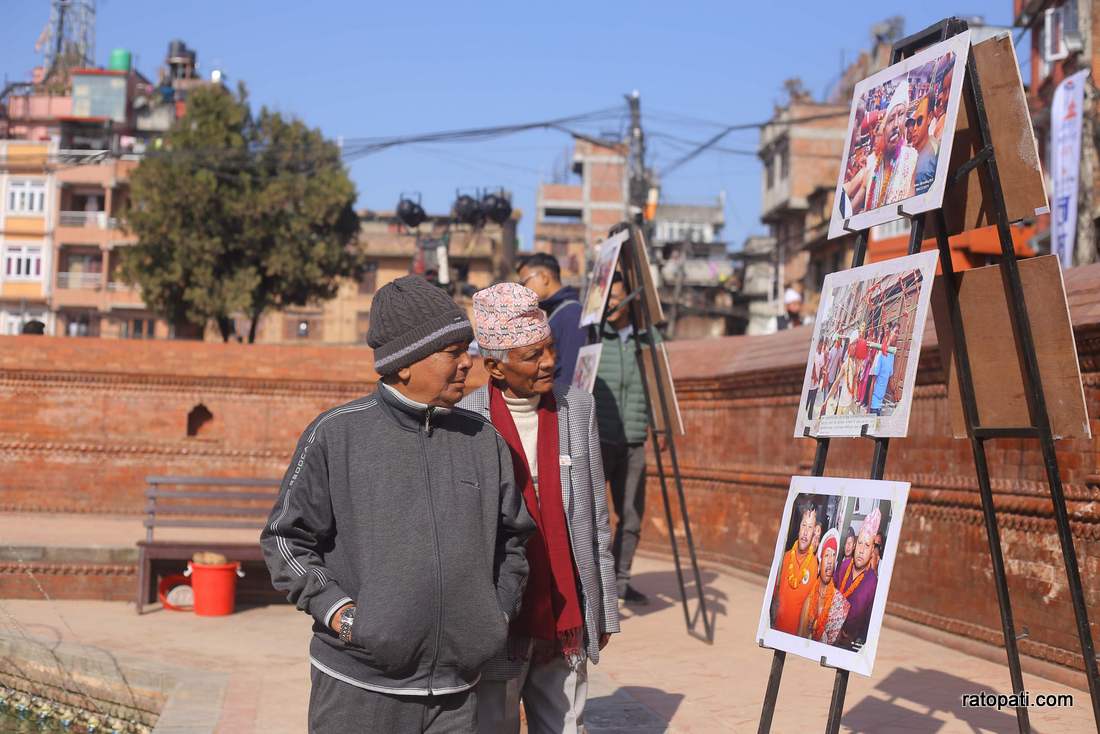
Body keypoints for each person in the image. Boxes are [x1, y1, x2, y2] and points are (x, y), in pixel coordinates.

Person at [261, 275, 535, 734]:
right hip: (357, 689)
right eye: (453, 352)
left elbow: (514, 543)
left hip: (456, 695)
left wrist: (495, 617)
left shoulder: (484, 442)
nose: (469, 363)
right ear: (405, 364)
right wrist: (344, 617)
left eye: (467, 349)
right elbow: (285, 539)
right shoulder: (337, 435)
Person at [461, 283, 619, 734]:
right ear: (494, 366)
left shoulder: (577, 408)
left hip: (566, 606)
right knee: (493, 723)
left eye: (548, 349)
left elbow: (595, 517)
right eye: (532, 356)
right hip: (499, 616)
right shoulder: (468, 420)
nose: (549, 361)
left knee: (567, 724)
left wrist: (603, 607)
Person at [593, 272, 660, 605]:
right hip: (598, 436)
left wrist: (658, 428)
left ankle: (620, 582)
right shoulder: (592, 336)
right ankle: (594, 582)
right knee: (592, 513)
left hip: (634, 439)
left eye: (619, 297)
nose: (613, 304)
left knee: (631, 516)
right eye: (609, 298)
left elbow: (662, 390)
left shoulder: (648, 341)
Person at [517, 253, 588, 390]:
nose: (522, 290)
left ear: (544, 277)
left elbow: (570, 372)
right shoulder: (556, 312)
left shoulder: (571, 313)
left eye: (524, 283)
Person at [866, 80, 919, 210]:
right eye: (891, 119)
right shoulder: (872, 163)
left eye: (901, 115)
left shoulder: (911, 158)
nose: (896, 124)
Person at [834, 508, 882, 651]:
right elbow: (832, 594)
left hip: (850, 646)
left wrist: (853, 637)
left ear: (872, 549)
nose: (861, 550)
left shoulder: (872, 582)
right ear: (855, 545)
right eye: (860, 543)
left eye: (867, 545)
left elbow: (868, 623)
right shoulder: (844, 565)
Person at [771, 499, 819, 635]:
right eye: (804, 525)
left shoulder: (814, 566)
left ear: (814, 533)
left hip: (795, 638)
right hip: (776, 631)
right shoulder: (785, 558)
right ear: (799, 528)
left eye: (810, 527)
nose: (805, 532)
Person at [798, 528, 850, 645]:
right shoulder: (809, 599)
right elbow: (799, 639)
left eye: (833, 555)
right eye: (827, 555)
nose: (830, 561)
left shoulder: (839, 604)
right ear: (820, 563)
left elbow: (834, 649)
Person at [906, 97, 937, 194]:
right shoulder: (923, 149)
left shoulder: (923, 168)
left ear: (929, 118)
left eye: (919, 121)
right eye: (912, 123)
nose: (913, 128)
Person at [868, 329, 898, 416]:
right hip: (873, 404)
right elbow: (873, 382)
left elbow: (889, 378)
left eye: (899, 333)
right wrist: (869, 408)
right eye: (896, 332)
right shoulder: (880, 355)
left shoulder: (892, 355)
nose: (897, 335)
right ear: (889, 334)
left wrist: (895, 395)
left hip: (880, 404)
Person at [806, 340, 826, 422]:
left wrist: (821, 376)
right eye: (820, 344)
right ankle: (802, 415)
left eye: (822, 345)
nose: (821, 346)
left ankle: (810, 417)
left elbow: (821, 368)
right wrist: (814, 377)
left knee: (813, 401)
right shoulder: (813, 353)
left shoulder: (822, 355)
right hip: (810, 381)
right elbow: (813, 366)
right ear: (817, 345)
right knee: (807, 400)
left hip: (816, 382)